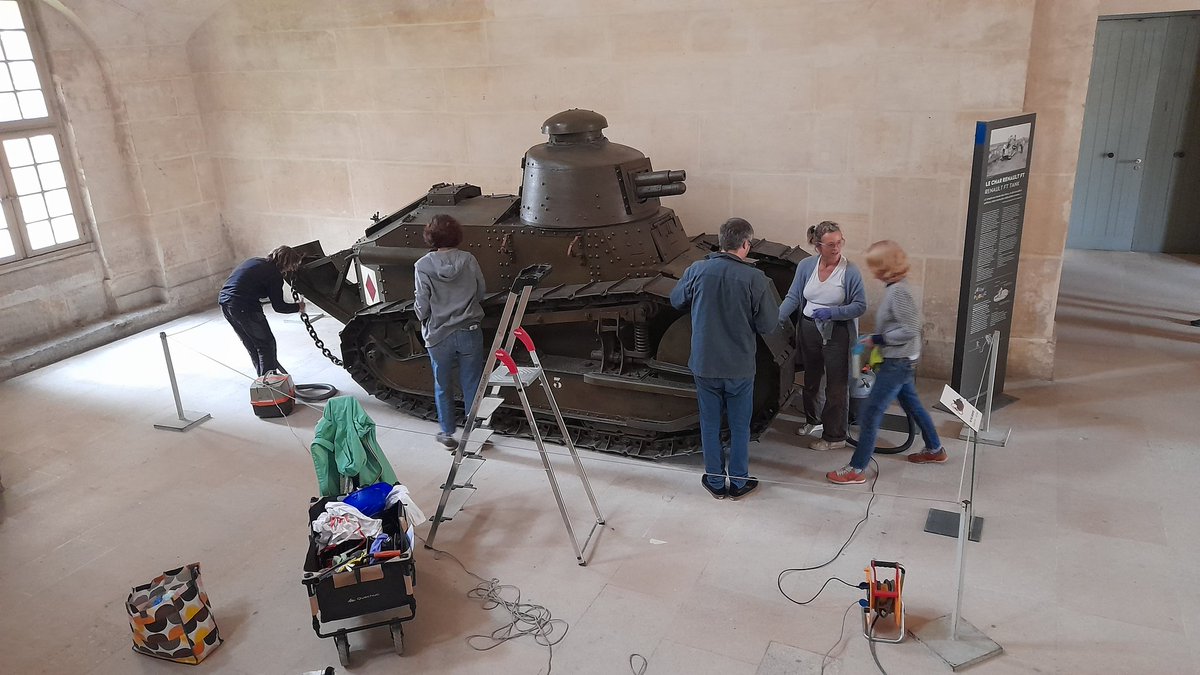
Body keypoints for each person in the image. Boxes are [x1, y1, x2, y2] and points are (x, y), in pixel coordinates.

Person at [670, 217, 778, 500]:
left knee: (709, 422)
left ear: (721, 241)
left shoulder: (697, 269)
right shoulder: (756, 278)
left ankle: (716, 481)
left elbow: (676, 300)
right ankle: (739, 481)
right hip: (739, 366)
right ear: (746, 244)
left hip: (705, 363)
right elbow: (768, 324)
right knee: (740, 424)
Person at [827, 240, 947, 485]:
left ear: (884, 266)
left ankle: (857, 469)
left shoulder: (899, 291)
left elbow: (911, 328)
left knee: (870, 413)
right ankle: (935, 449)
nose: (872, 271)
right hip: (900, 359)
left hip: (897, 361)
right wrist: (875, 339)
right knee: (913, 406)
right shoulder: (896, 287)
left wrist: (880, 338)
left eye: (874, 266)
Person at [778, 221, 867, 451]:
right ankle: (813, 420)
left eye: (839, 243)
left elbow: (860, 306)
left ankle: (835, 436)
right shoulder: (806, 266)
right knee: (812, 379)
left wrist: (834, 313)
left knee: (836, 385)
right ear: (818, 246)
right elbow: (794, 296)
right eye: (830, 244)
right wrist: (776, 318)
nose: (836, 248)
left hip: (837, 331)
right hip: (809, 328)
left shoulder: (850, 271)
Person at [413, 214, 487, 449]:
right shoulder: (468, 259)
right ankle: (474, 430)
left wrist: (422, 317)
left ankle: (447, 432)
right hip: (469, 328)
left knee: (442, 383)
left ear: (430, 237)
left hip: (438, 333)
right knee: (472, 382)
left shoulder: (422, 265)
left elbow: (422, 303)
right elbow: (480, 291)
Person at [218, 245, 305, 377]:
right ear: (287, 263)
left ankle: (263, 381)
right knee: (266, 345)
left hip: (225, 302)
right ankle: (269, 385)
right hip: (244, 306)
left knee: (252, 345)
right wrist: (298, 307)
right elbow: (279, 306)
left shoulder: (255, 261)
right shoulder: (274, 274)